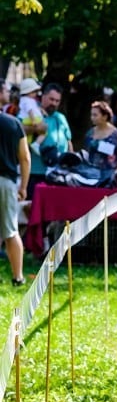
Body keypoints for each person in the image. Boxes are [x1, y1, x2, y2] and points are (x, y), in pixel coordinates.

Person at [0, 79, 31, 286]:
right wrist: (23, 187)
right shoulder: (13, 123)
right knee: (11, 231)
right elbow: (25, 158)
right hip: (6, 182)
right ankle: (18, 277)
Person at [83, 101, 117, 180]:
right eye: (91, 115)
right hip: (90, 177)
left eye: (95, 115)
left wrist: (115, 174)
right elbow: (85, 155)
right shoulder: (89, 134)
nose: (92, 118)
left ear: (104, 116)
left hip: (109, 179)